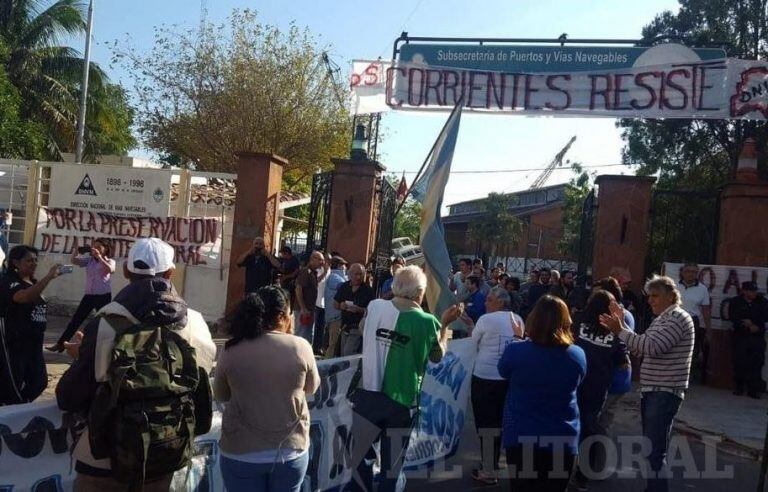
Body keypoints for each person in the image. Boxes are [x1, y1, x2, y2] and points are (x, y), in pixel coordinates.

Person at [56, 237, 216, 491]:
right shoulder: (196, 323)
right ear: (171, 272)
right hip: (165, 451)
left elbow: (69, 397)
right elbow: (199, 385)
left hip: (104, 455)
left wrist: (81, 356)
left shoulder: (105, 321)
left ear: (126, 270)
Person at [347, 265, 458, 492]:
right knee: (392, 464)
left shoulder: (375, 306)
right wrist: (445, 325)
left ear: (395, 286)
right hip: (402, 399)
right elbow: (438, 356)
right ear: (420, 293)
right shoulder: (428, 322)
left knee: (360, 459)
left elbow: (361, 328)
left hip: (367, 393)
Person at [214, 287, 319, 492]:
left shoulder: (232, 349)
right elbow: (312, 387)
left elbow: (221, 394)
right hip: (289, 450)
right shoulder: (301, 346)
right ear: (282, 316)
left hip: (240, 450)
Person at [601, 275, 694, 492]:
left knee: (655, 451)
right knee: (652, 450)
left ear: (671, 296)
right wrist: (623, 327)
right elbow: (641, 347)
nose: (650, 301)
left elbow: (651, 347)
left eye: (655, 296)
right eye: (649, 296)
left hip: (664, 392)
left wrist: (620, 330)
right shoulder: (662, 318)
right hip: (654, 391)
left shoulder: (677, 318)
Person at [498, 295, 586, 492]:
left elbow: (503, 371)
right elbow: (578, 380)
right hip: (562, 436)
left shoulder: (515, 351)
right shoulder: (577, 355)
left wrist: (519, 339)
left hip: (522, 434)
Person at [571, 291, 629, 491]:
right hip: (597, 387)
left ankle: (562, 470)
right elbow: (623, 363)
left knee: (567, 424)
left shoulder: (577, 321)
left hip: (573, 382)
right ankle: (583, 477)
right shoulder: (615, 331)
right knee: (589, 428)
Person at [470, 287, 525, 485]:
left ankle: (488, 469)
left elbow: (473, 343)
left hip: (484, 377)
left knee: (485, 424)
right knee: (499, 422)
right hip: (507, 380)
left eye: (490, 300)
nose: (486, 303)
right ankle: (493, 461)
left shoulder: (486, 320)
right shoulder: (518, 319)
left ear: (501, 302)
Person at [0, 245, 63, 405]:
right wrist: (48, 277)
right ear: (16, 262)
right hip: (15, 342)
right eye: (29, 260)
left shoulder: (33, 282)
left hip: (34, 340)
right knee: (13, 385)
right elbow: (23, 297)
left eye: (36, 260)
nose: (34, 263)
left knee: (39, 381)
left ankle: (19, 407)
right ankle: (13, 413)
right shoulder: (8, 282)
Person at [47, 239, 116, 353]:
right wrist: (77, 250)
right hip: (89, 296)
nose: (95, 249)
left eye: (99, 247)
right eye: (94, 247)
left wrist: (100, 257)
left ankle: (108, 348)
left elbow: (110, 270)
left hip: (103, 296)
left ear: (106, 249)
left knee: (105, 322)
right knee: (76, 320)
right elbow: (74, 260)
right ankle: (60, 344)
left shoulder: (109, 261)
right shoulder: (89, 260)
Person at [729, 281, 767, 398]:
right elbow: (733, 317)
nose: (753, 293)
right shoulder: (736, 302)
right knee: (740, 362)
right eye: (750, 291)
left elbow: (765, 317)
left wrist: (755, 325)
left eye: (754, 291)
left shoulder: (763, 302)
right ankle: (739, 387)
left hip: (757, 337)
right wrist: (747, 325)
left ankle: (753, 390)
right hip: (741, 336)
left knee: (756, 363)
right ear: (744, 291)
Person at [678, 263, 711, 382]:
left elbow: (706, 310)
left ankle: (684, 378)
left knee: (690, 351)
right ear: (682, 272)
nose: (691, 274)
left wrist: (708, 330)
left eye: (694, 272)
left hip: (692, 322)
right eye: (688, 271)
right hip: (675, 320)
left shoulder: (702, 289)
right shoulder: (674, 286)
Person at [333, 263, 375, 356]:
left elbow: (372, 311)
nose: (358, 277)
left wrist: (359, 309)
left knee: (348, 352)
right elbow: (335, 304)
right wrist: (341, 305)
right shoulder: (344, 286)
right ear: (350, 274)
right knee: (342, 353)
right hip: (344, 326)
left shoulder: (368, 290)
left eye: (361, 274)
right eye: (356, 274)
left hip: (358, 327)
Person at [323, 256, 348, 358]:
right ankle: (327, 365)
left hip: (334, 315)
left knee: (334, 344)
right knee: (333, 344)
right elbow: (344, 287)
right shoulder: (335, 277)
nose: (345, 267)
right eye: (344, 265)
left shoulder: (336, 276)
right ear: (339, 266)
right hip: (335, 316)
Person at [312, 253, 331, 356]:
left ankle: (318, 347)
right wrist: (325, 272)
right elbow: (317, 281)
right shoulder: (317, 270)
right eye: (325, 260)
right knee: (314, 327)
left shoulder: (330, 271)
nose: (326, 262)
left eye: (329, 261)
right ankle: (311, 346)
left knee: (321, 328)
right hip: (316, 302)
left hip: (324, 304)